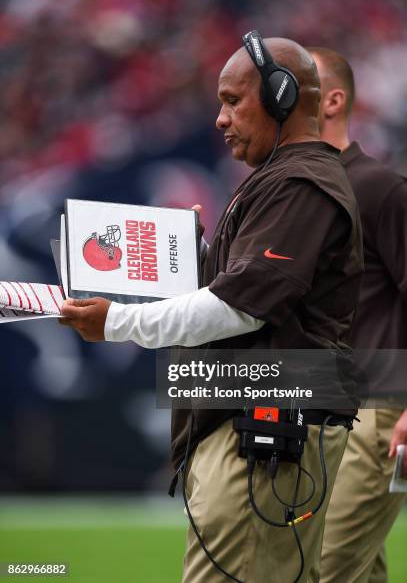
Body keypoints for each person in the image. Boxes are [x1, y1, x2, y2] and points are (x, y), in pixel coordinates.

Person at [60, 34, 363, 582]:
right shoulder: (280, 181)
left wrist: (115, 322)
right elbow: (255, 295)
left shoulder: (303, 183)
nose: (221, 119)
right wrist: (197, 257)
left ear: (280, 97)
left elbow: (238, 309)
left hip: (267, 433)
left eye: (232, 100)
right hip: (256, 432)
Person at [309, 47, 407, 583]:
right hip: (316, 407)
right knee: (357, 573)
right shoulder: (295, 191)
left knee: (319, 569)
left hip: (377, 408)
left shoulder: (379, 188)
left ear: (333, 100)